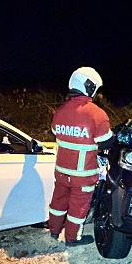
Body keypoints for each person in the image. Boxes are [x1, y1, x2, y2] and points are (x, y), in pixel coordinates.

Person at [48, 66, 114, 246]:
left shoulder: (60, 111)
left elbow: (56, 132)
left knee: (58, 201)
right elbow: (107, 141)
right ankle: (72, 238)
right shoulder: (96, 114)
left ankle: (53, 230)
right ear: (90, 87)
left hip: (61, 171)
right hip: (83, 174)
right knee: (79, 207)